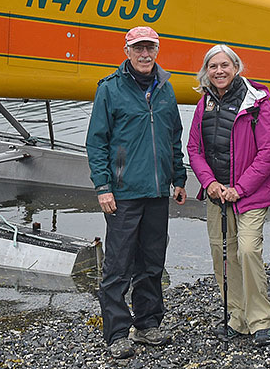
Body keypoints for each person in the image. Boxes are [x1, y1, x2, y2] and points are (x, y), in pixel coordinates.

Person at [85, 26, 187, 360]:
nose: (145, 55)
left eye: (150, 49)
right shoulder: (110, 90)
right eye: (138, 49)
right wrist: (102, 187)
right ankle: (116, 332)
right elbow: (97, 142)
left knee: (152, 262)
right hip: (123, 192)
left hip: (158, 191)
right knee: (117, 265)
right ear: (127, 51)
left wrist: (179, 178)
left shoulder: (166, 89)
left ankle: (148, 324)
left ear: (157, 51)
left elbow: (173, 138)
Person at [186, 44, 270, 347]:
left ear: (236, 68)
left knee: (248, 251)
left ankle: (261, 319)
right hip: (217, 195)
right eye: (213, 67)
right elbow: (195, 149)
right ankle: (237, 316)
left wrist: (239, 188)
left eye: (225, 65)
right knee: (223, 257)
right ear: (206, 72)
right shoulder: (204, 103)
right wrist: (209, 182)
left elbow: (268, 152)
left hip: (247, 194)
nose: (219, 71)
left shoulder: (257, 102)